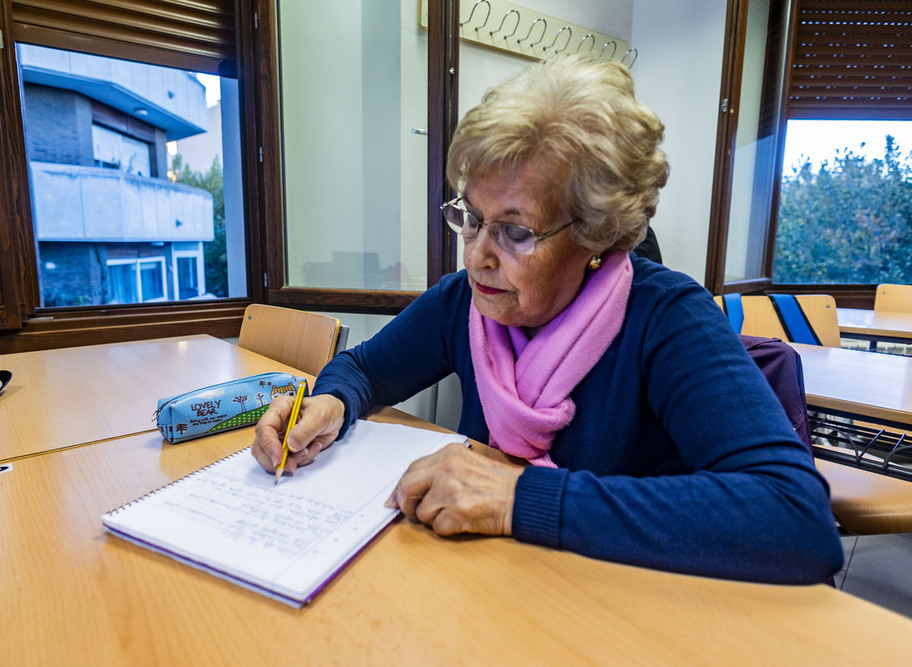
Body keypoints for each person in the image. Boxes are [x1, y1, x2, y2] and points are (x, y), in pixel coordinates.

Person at [251, 55, 843, 584]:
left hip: (620, 608)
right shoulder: (466, 299)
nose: (478, 253)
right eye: (470, 218)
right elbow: (365, 371)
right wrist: (332, 402)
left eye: (516, 231)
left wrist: (519, 498)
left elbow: (793, 516)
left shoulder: (668, 319)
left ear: (597, 233)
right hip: (498, 586)